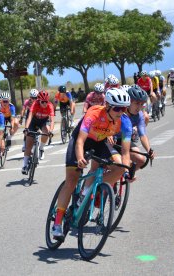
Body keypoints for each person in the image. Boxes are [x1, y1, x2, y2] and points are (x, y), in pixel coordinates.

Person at [51, 87, 132, 239]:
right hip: (82, 141)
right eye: (117, 108)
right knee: (71, 181)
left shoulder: (125, 122)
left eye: (124, 108)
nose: (121, 112)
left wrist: (127, 171)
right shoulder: (94, 113)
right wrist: (81, 158)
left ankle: (87, 192)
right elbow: (80, 141)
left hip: (100, 142)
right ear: (107, 106)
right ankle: (57, 223)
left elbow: (125, 152)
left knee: (120, 168)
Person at [114, 85, 155, 170]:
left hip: (124, 140)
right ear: (129, 102)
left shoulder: (139, 115)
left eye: (141, 104)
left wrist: (149, 150)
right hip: (111, 139)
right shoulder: (119, 112)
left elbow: (143, 135)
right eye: (136, 103)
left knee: (141, 160)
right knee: (117, 165)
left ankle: (127, 177)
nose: (139, 107)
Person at [22, 90, 55, 174]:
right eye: (42, 102)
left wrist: (51, 131)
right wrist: (26, 128)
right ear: (39, 100)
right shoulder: (35, 104)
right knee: (28, 144)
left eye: (46, 101)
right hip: (34, 121)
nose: (44, 104)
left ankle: (41, 148)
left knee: (46, 131)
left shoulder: (50, 106)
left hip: (43, 122)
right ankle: (25, 165)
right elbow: (29, 117)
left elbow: (52, 121)